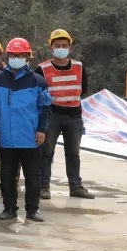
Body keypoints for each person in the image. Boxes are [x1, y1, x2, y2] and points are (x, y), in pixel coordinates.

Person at [0, 38, 52, 222]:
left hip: (30, 137)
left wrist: (41, 129)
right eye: (13, 55)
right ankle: (9, 208)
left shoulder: (38, 81)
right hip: (6, 137)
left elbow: (45, 107)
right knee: (7, 176)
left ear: (28, 57)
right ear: (7, 56)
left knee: (33, 176)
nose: (17, 58)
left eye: (21, 55)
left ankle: (32, 210)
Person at [38, 29, 94, 200]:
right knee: (46, 152)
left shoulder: (79, 67)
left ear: (70, 47)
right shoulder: (42, 69)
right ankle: (43, 187)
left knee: (73, 153)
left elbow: (83, 88)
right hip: (52, 115)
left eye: (64, 45)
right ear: (51, 47)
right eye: (57, 45)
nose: (61, 48)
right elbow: (39, 93)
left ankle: (75, 186)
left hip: (74, 116)